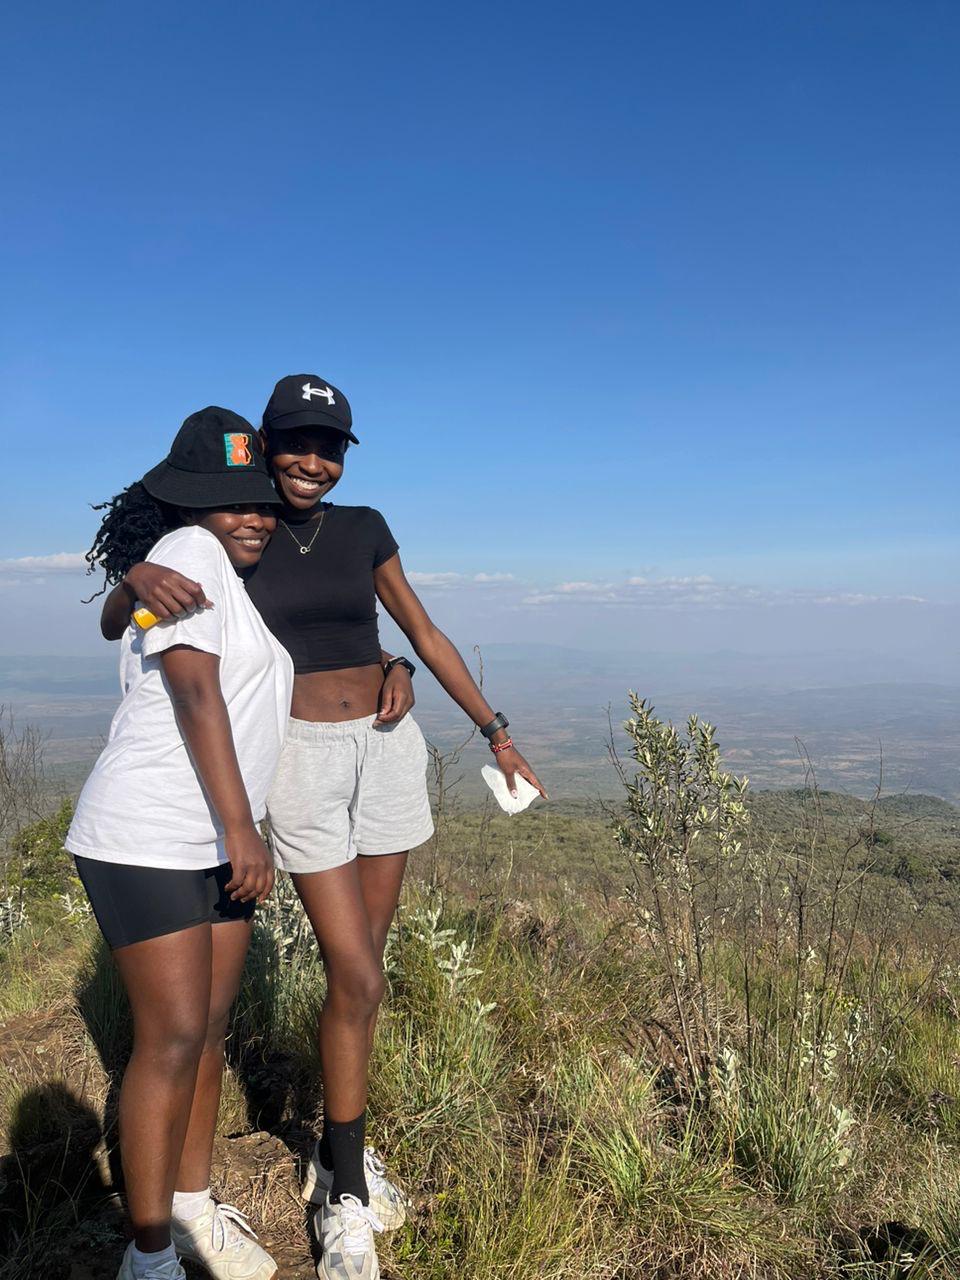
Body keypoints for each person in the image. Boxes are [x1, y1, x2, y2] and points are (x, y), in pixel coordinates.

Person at [104, 374, 547, 1280]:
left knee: (365, 976)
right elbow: (135, 616)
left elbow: (418, 630)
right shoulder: (241, 534)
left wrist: (493, 729)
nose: (314, 461)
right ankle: (344, 1196)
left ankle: (343, 1155)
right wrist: (128, 574)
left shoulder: (363, 528)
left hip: (385, 750)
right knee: (356, 969)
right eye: (297, 443)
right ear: (265, 445)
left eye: (331, 446)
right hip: (300, 758)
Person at [71, 408, 293, 1280]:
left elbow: (113, 628)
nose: (252, 517)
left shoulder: (205, 570)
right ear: (190, 506)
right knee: (170, 1042)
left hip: (203, 836)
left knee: (205, 1036)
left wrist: (129, 582)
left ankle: (195, 1215)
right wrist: (247, 832)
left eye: (261, 502)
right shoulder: (196, 553)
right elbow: (197, 693)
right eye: (228, 501)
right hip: (150, 832)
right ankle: (151, 1255)